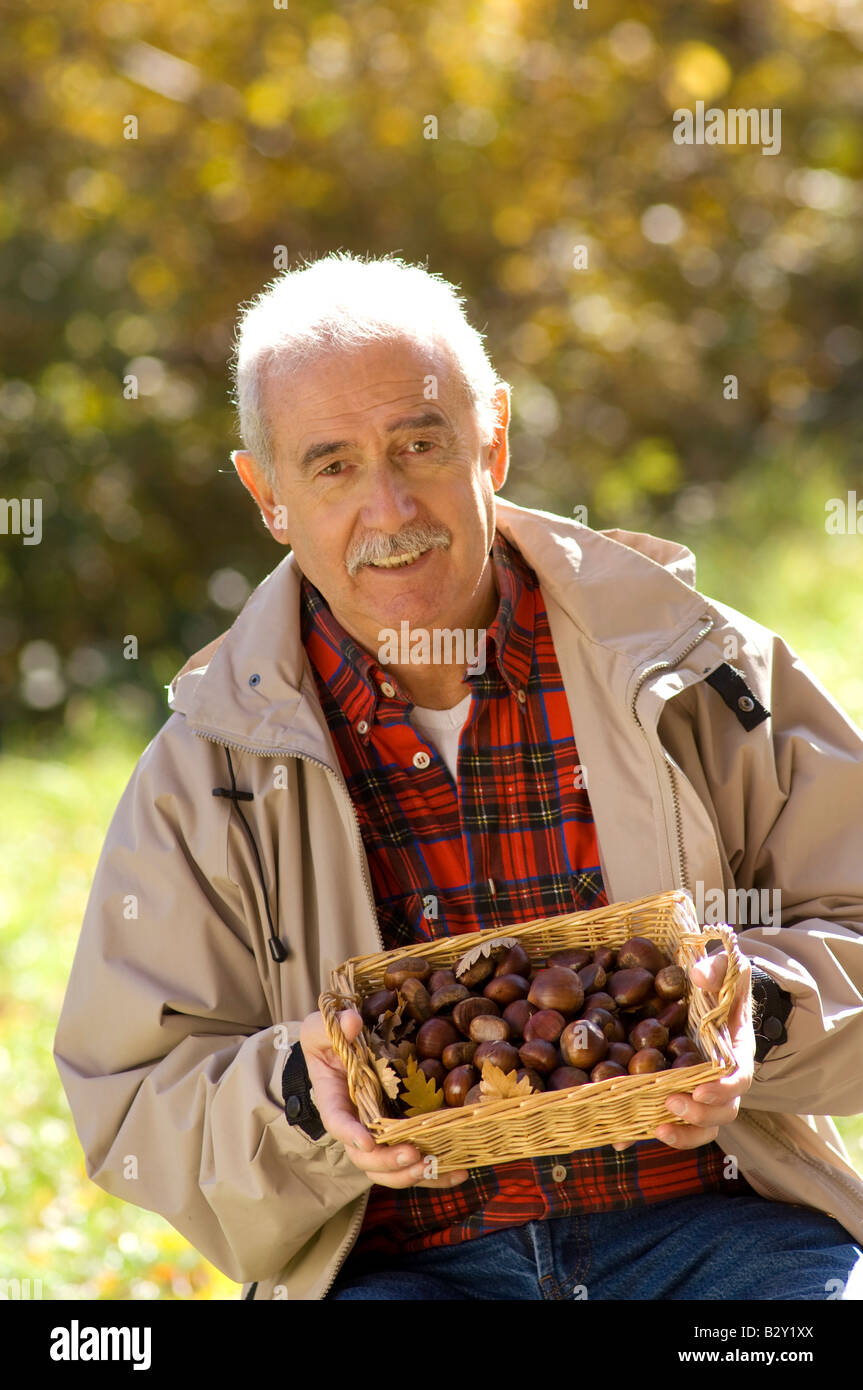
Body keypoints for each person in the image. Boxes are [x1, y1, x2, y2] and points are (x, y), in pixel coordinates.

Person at [55, 252, 863, 1301]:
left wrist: (753, 1006)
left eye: (420, 444)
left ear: (493, 437)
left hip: (717, 1229)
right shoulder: (203, 771)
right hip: (404, 1270)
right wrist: (306, 1092)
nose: (389, 508)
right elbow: (129, 1105)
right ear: (268, 496)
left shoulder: (705, 672)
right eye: (332, 466)